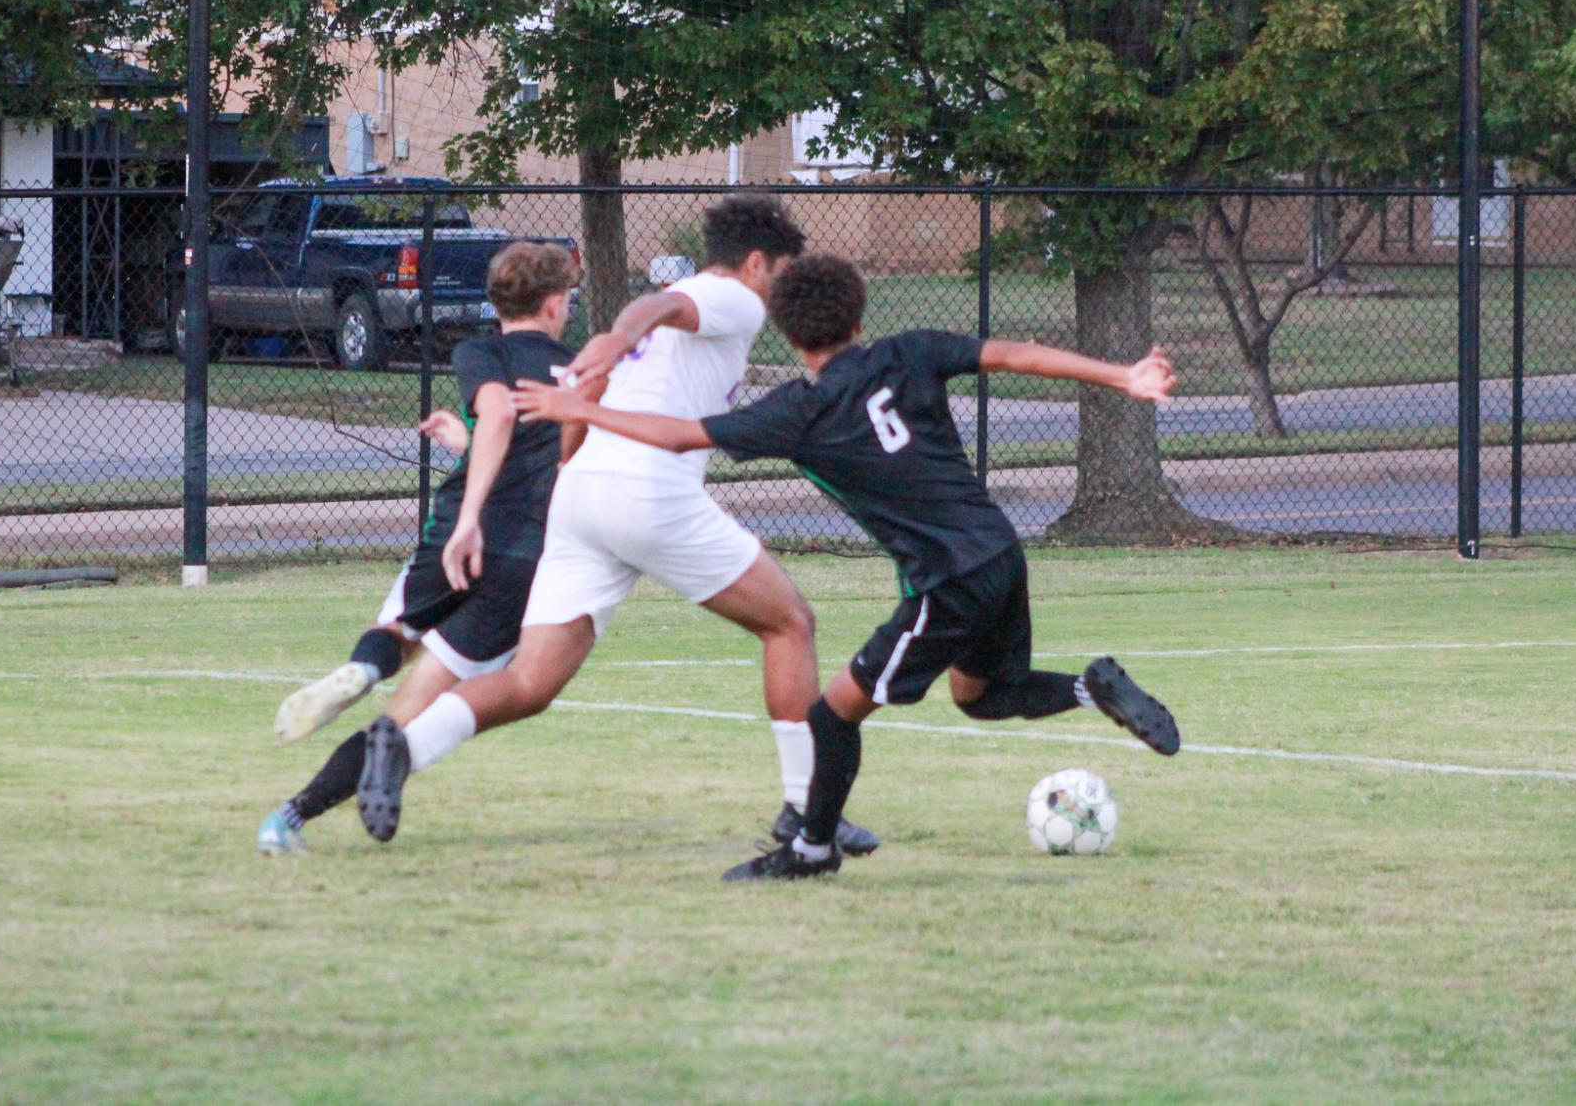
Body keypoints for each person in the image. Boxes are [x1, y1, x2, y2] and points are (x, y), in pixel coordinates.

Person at [512, 253, 1182, 881]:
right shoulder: (909, 352)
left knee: (832, 718)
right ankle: (1091, 688)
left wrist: (580, 409)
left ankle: (809, 849)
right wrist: (1122, 375)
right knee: (980, 697)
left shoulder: (798, 412)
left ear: (786, 334)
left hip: (945, 582)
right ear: (859, 319)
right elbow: (1016, 354)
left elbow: (680, 434)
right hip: (1000, 553)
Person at [352, 196, 879, 855]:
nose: (780, 289)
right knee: (789, 623)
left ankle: (400, 745)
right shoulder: (732, 298)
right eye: (779, 271)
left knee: (531, 683)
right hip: (648, 493)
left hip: (581, 499)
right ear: (752, 263)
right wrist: (620, 335)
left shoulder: (680, 298)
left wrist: (577, 453)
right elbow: (656, 310)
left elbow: (593, 389)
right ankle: (805, 811)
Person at [257, 241, 580, 854]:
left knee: (398, 633)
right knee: (406, 716)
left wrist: (468, 509)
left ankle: (362, 671)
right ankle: (292, 816)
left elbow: (500, 420)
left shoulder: (481, 350)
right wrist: (476, 442)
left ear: (496, 300)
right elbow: (533, 446)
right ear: (556, 305)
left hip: (458, 529)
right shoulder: (582, 372)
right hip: (526, 556)